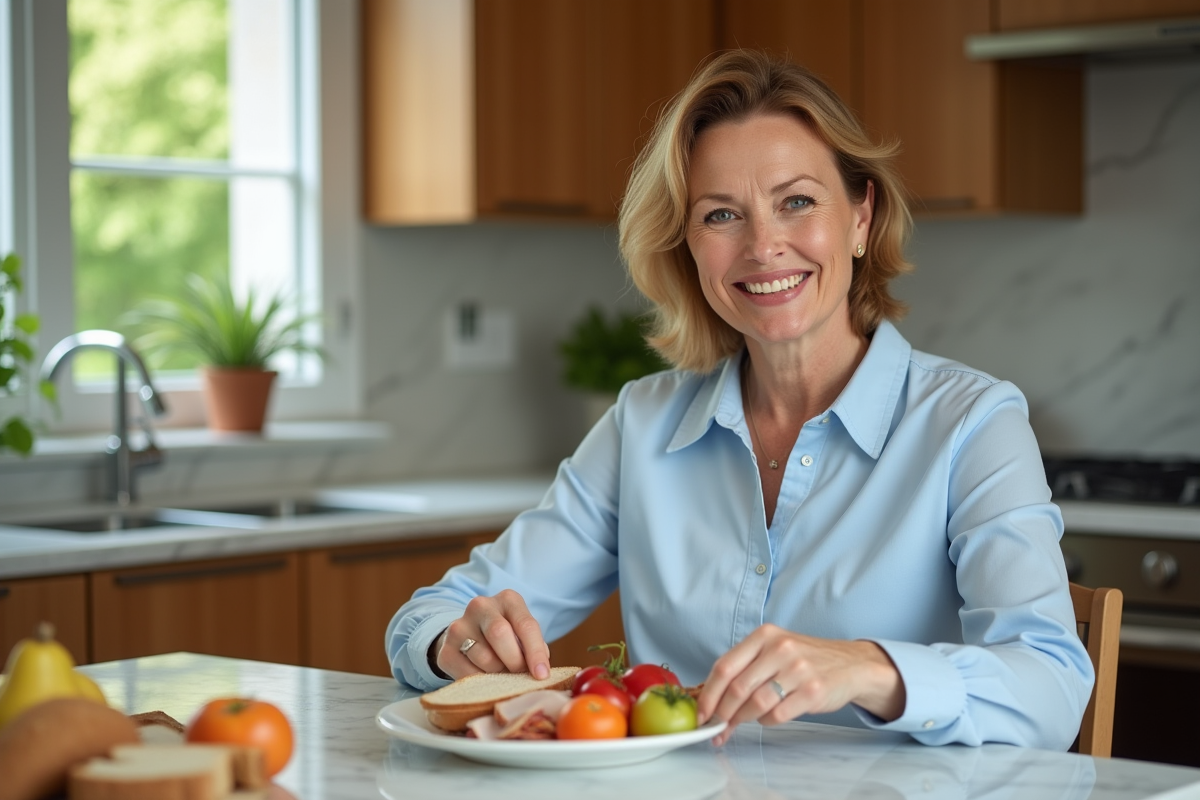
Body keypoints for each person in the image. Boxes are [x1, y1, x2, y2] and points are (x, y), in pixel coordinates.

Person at [386, 49, 1093, 749]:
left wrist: (867, 668)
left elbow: (1053, 687)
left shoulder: (971, 423)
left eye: (797, 202)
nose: (763, 245)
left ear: (859, 217)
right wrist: (456, 642)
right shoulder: (643, 424)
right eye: (721, 215)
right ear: (687, 245)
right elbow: (429, 618)